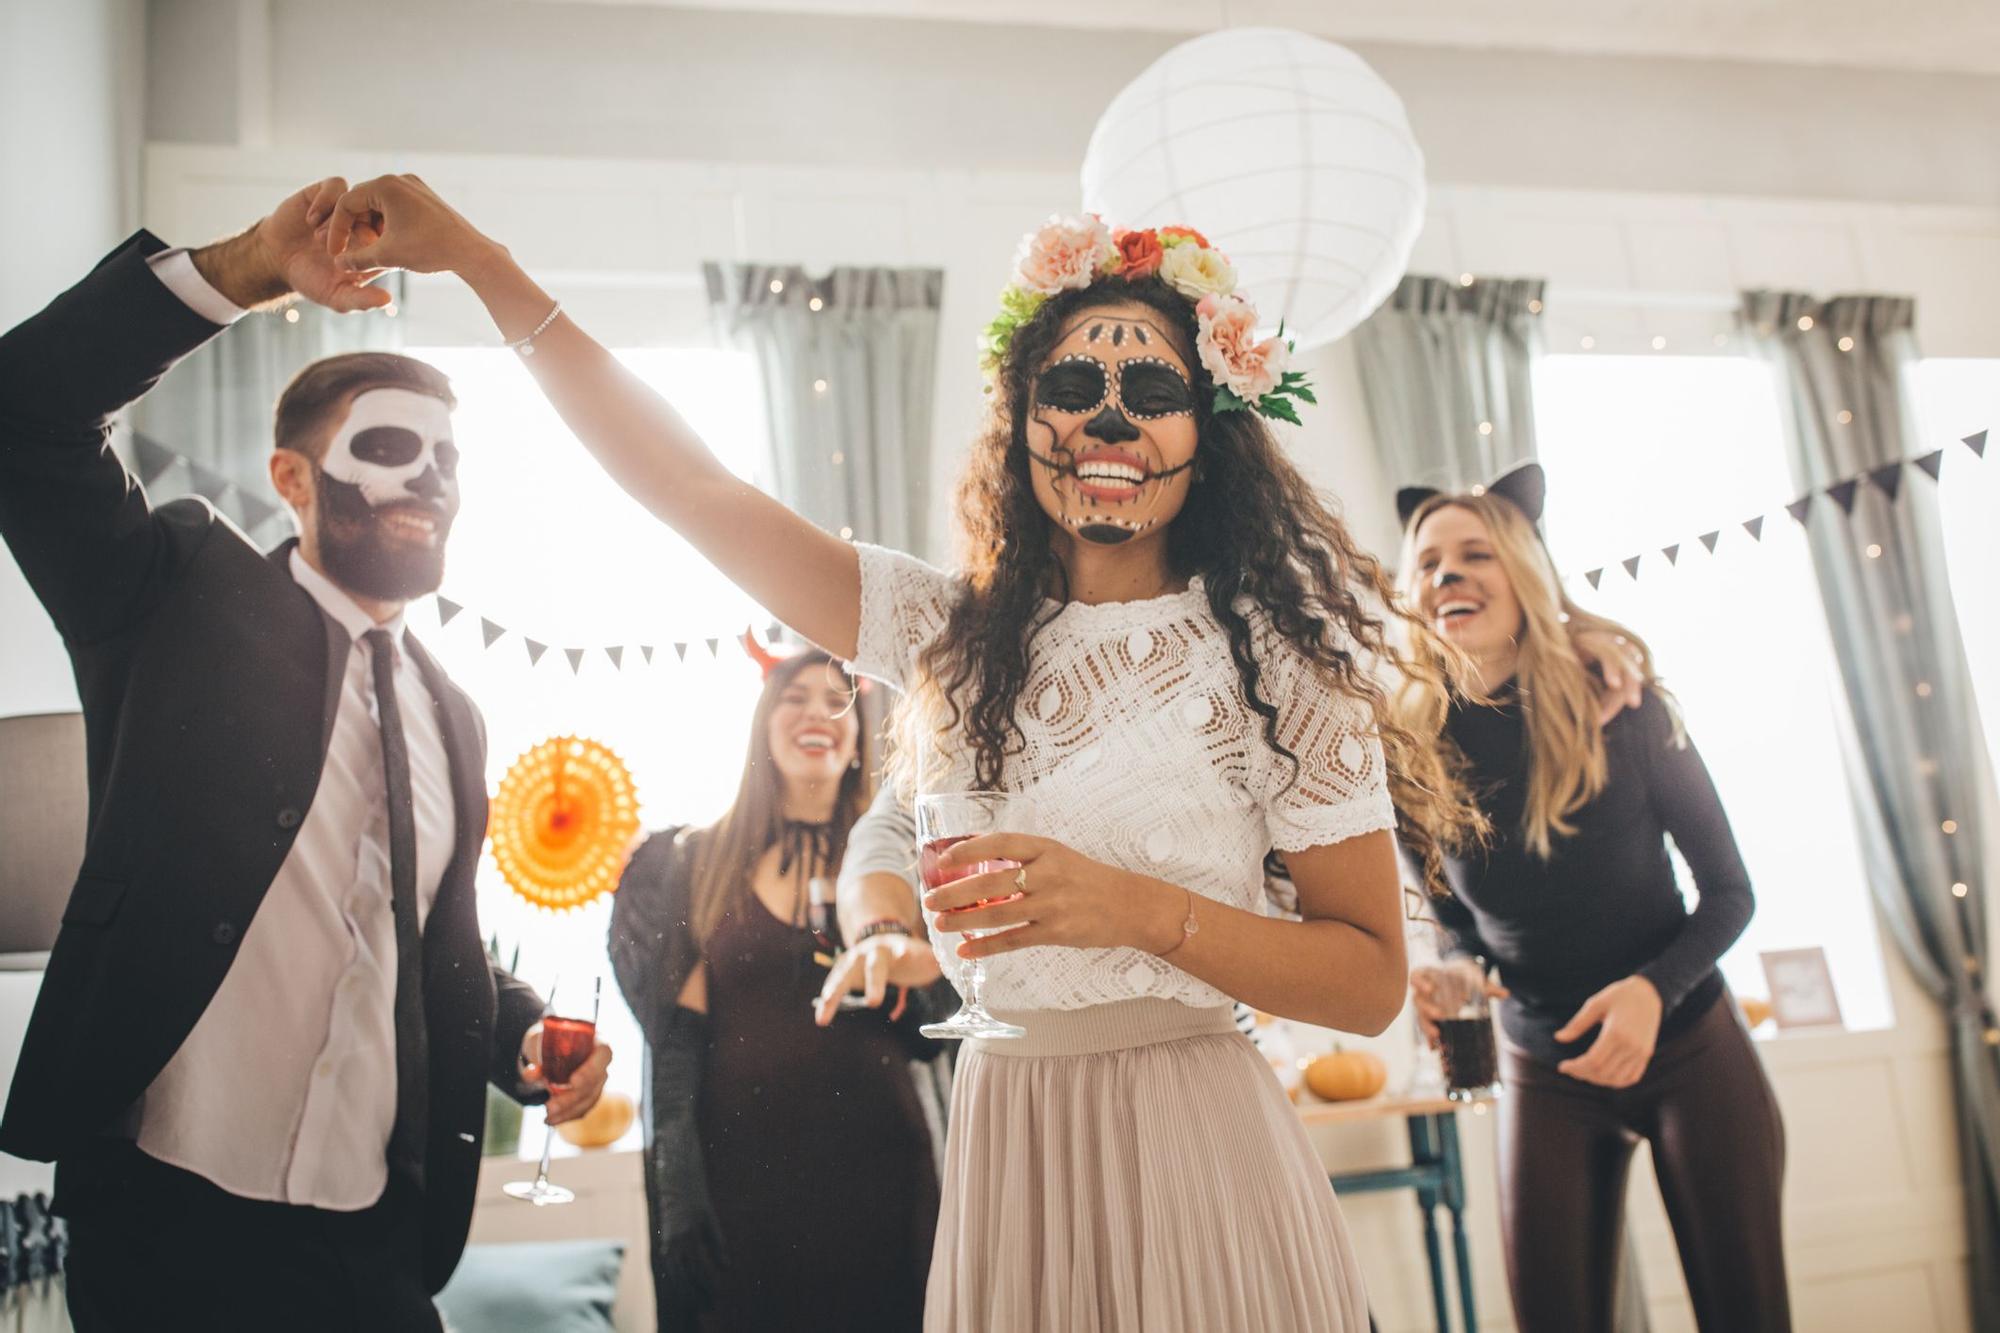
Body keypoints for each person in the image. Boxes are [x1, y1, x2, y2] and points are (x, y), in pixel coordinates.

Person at [0, 180, 610, 1332]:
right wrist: (240, 269)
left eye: (447, 461)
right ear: (293, 480)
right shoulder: (170, 601)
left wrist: (520, 1033)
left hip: (376, 1250)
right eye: (389, 447)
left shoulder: (455, 715)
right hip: (169, 1237)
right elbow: (23, 411)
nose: (429, 480)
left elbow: (425, 939)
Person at [1396, 464, 1790, 1333]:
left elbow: (1731, 891)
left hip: (1691, 1049)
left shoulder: (1627, 706)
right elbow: (1458, 924)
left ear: (1526, 573)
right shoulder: (1411, 754)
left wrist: (1652, 991)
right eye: (1427, 562)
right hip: (1543, 1067)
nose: (1446, 576)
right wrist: (1454, 972)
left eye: (1474, 555)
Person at [609, 645, 947, 1332]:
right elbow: (677, 1046)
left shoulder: (893, 861)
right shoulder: (696, 859)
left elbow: (935, 1024)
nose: (816, 712)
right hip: (745, 1178)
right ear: (764, 722)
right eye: (795, 697)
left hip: (881, 1171)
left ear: (859, 737)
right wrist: (676, 1178)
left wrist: (909, 957)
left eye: (836, 699)